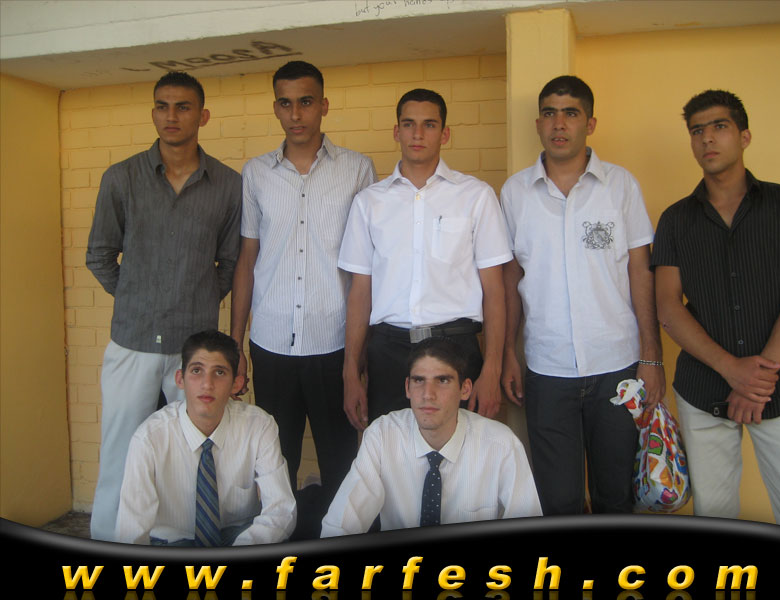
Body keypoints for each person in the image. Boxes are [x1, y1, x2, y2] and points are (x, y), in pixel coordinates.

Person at [86, 71, 242, 541]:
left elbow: (230, 263)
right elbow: (99, 255)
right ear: (153, 112)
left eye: (182, 107)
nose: (170, 116)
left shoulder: (227, 185)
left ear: (203, 116)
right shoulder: (122, 178)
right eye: (162, 106)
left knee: (189, 452)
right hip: (131, 340)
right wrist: (138, 297)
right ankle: (107, 541)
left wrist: (196, 298)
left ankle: (181, 544)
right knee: (120, 452)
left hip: (192, 350)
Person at [500, 75, 665, 516]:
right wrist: (508, 353)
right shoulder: (515, 192)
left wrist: (651, 357)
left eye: (571, 113)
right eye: (550, 113)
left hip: (617, 368)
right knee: (558, 501)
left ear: (589, 124)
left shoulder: (621, 186)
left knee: (616, 497)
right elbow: (511, 278)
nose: (559, 124)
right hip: (546, 370)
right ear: (538, 123)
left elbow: (641, 271)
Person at [230, 61, 376, 522]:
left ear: (324, 106)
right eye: (286, 103)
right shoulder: (255, 173)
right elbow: (248, 258)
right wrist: (236, 343)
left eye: (306, 102)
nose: (296, 114)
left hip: (333, 341)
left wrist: (357, 357)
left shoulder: (357, 169)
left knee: (340, 465)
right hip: (270, 341)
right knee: (275, 466)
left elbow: (365, 268)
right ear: (276, 108)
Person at [652, 89, 780, 528]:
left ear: (744, 136)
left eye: (720, 126)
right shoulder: (675, 219)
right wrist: (732, 369)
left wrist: (757, 379)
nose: (707, 138)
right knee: (713, 515)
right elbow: (667, 306)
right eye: (697, 130)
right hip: (703, 389)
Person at [339, 88, 511, 431]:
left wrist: (492, 369)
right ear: (396, 131)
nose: (418, 134)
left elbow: (495, 291)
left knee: (462, 453)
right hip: (388, 351)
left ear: (444, 134)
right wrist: (350, 372)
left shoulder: (475, 197)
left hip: (457, 347)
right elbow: (360, 293)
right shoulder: (369, 203)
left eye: (429, 125)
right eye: (409, 124)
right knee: (391, 451)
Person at [321, 337, 541, 536]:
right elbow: (340, 524)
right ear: (407, 388)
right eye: (419, 380)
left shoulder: (501, 445)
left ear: (465, 389)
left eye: (442, 380)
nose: (428, 394)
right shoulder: (383, 436)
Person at [115, 330, 296, 545]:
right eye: (196, 371)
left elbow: (281, 510)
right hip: (172, 542)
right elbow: (131, 531)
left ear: (236, 384)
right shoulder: (149, 438)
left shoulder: (259, 426)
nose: (207, 384)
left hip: (240, 538)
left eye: (219, 372)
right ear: (180, 379)